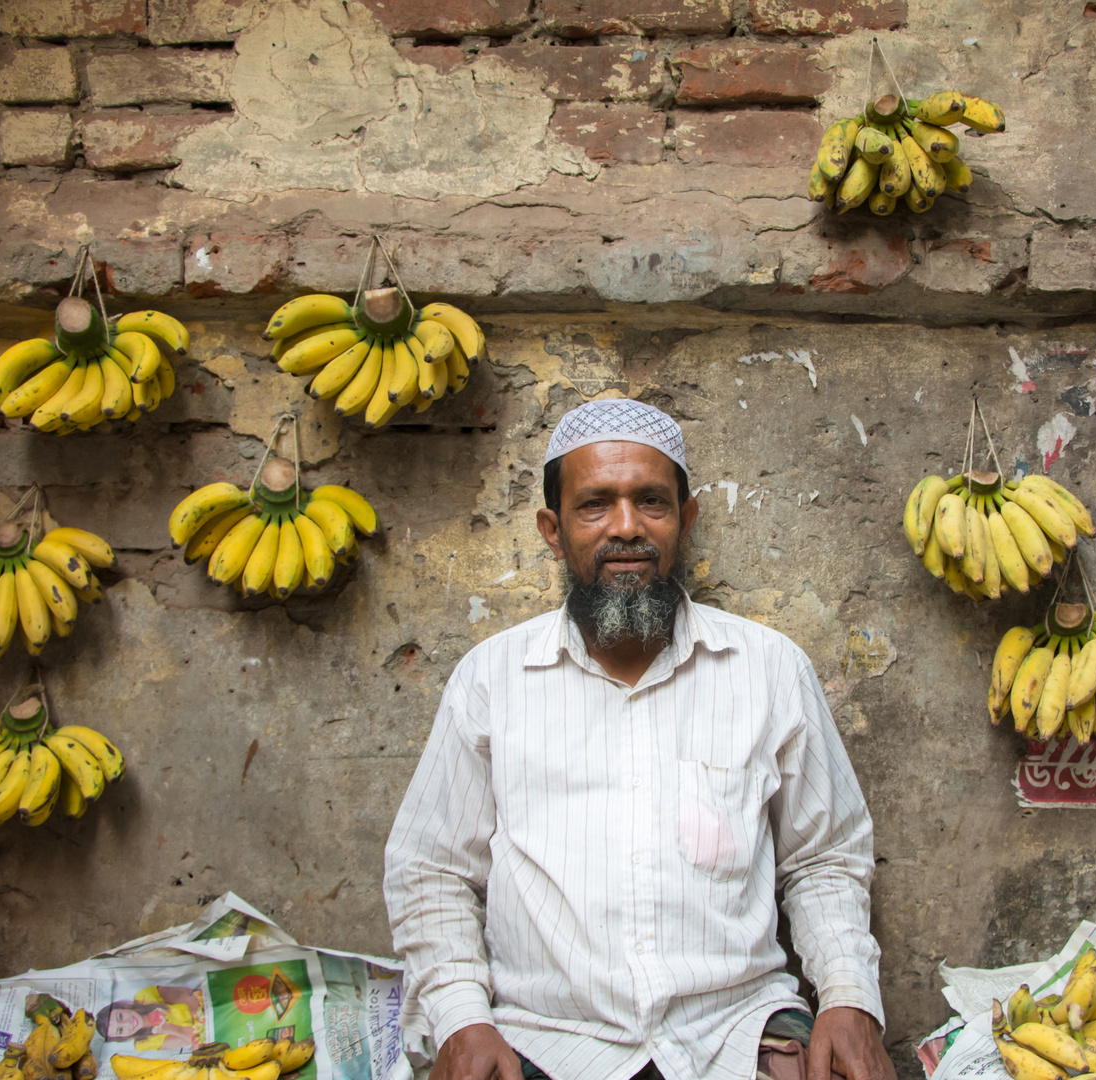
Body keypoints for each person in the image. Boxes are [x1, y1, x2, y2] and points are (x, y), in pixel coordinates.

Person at [384, 399, 896, 1080]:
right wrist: (461, 1019)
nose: (627, 527)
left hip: (735, 1030)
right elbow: (433, 870)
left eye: (651, 502)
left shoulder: (769, 669)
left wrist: (848, 1000)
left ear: (684, 520)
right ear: (554, 530)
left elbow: (824, 858)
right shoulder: (491, 679)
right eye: (594, 505)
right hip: (545, 1037)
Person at [94, 986, 203, 1052]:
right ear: (123, 1037)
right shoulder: (142, 1044)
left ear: (124, 1007)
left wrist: (200, 1016)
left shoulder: (143, 996)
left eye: (120, 1017)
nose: (128, 1023)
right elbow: (194, 1040)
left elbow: (189, 996)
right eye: (120, 1030)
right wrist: (166, 1028)